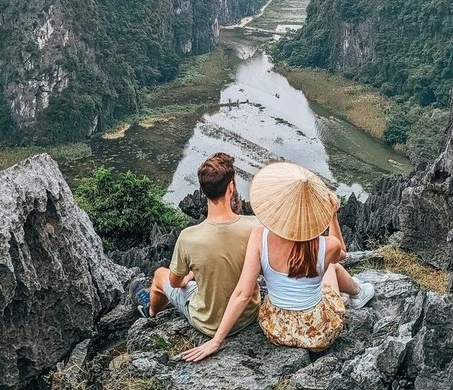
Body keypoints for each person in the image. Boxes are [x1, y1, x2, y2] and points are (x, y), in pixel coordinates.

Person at [182, 161, 374, 362]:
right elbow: (341, 253)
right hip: (318, 332)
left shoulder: (259, 237)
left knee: (328, 267)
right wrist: (332, 217)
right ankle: (357, 293)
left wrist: (216, 340)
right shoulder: (327, 246)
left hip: (277, 328)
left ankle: (357, 293)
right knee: (332, 266)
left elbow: (243, 293)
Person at [130, 152, 260, 337]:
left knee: (160, 275)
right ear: (231, 188)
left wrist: (189, 276)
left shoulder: (188, 237)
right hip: (247, 316)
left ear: (203, 191)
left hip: (208, 323)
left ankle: (150, 312)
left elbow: (175, 282)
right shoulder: (255, 226)